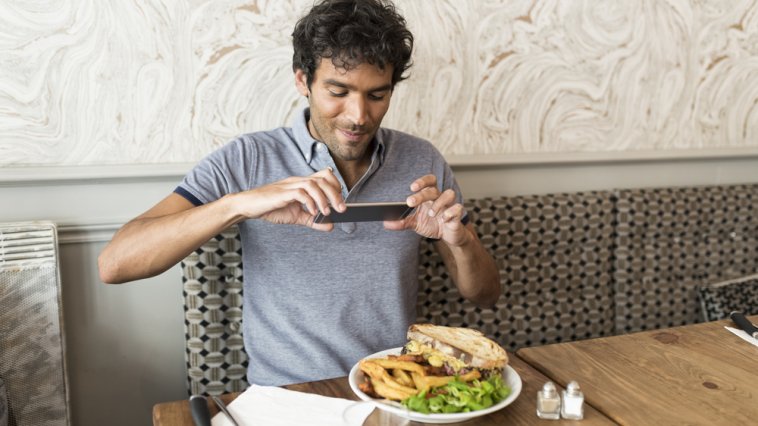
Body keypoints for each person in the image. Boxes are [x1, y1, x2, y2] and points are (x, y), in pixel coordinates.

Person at [98, 0, 500, 386]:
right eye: (338, 92)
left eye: (377, 95)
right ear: (302, 80)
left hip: (393, 387)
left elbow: (484, 295)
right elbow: (115, 264)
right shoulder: (247, 158)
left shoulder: (421, 159)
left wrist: (462, 242)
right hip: (286, 396)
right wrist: (237, 206)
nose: (359, 116)